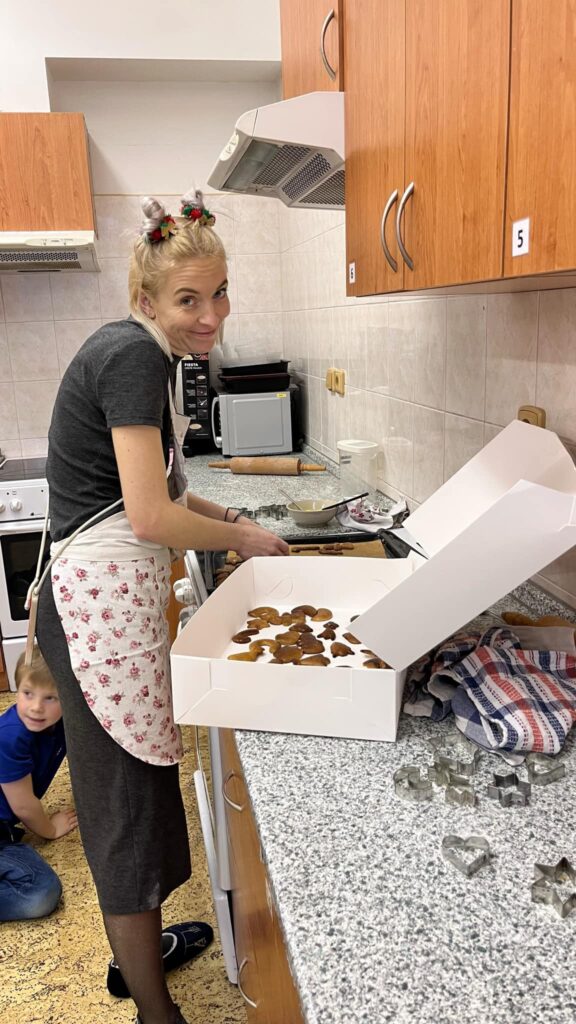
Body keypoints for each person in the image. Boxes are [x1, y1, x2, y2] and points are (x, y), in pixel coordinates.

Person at [36, 188, 289, 1024]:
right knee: (125, 816)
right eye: (189, 299)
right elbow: (148, 517)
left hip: (107, 605)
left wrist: (235, 522)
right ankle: (153, 1008)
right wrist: (240, 539)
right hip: (95, 615)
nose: (211, 315)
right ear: (147, 297)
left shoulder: (147, 353)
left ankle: (139, 956)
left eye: (220, 293)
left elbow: (167, 492)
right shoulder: (134, 358)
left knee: (137, 798)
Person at [0, 646, 76, 922]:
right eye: (27, 693)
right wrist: (50, 829)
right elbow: (23, 806)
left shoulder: (61, 724)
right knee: (40, 893)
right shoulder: (11, 737)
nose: (36, 707)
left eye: (50, 697)